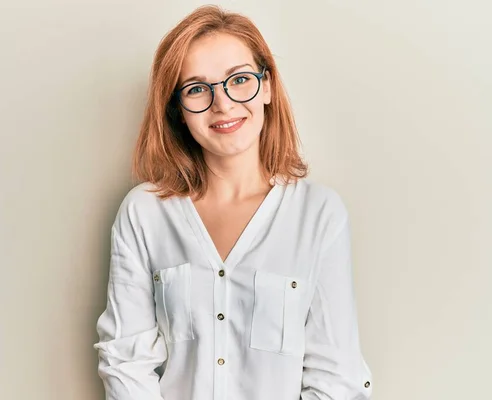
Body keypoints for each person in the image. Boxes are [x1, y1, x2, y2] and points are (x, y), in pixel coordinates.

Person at [93, 5, 373, 400]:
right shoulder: (144, 213)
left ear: (268, 86)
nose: (222, 104)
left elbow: (336, 377)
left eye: (239, 80)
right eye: (196, 89)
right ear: (177, 111)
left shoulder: (319, 215)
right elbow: (125, 362)